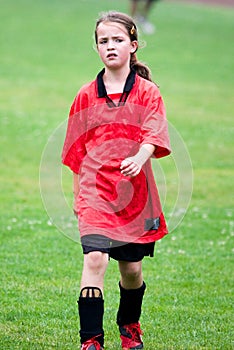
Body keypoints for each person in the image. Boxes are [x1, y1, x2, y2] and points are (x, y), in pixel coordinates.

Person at [62, 10, 171, 350]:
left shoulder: (148, 92)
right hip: (95, 194)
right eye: (103, 41)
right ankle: (91, 340)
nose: (110, 46)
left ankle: (129, 326)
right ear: (96, 48)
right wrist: (80, 198)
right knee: (95, 259)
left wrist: (139, 158)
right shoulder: (85, 95)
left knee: (132, 271)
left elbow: (154, 134)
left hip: (135, 198)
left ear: (132, 45)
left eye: (118, 40)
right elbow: (76, 150)